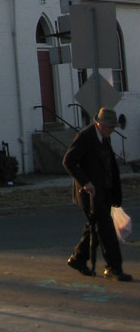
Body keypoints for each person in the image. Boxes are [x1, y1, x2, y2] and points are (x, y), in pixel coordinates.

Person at [62, 106, 132, 281]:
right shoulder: (85, 136)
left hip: (104, 192)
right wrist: (86, 182)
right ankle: (113, 267)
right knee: (106, 230)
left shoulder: (104, 138)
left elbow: (108, 164)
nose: (112, 130)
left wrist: (114, 190)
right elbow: (68, 161)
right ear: (99, 124)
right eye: (110, 126)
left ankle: (78, 258)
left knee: (93, 227)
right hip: (89, 194)